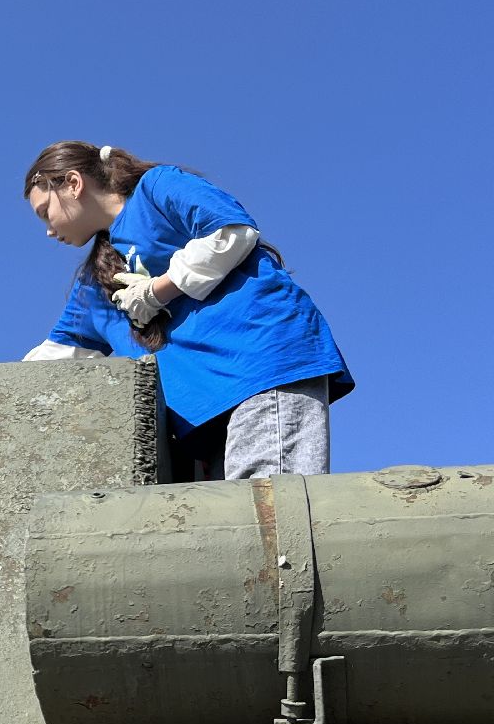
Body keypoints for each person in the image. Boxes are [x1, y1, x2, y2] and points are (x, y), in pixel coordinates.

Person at [21, 142, 352, 479]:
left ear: (73, 184)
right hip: (201, 424)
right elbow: (50, 361)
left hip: (258, 370)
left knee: (268, 512)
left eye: (45, 211)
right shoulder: (97, 279)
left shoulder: (156, 189)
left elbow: (231, 233)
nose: (48, 230)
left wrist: (156, 290)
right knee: (232, 525)